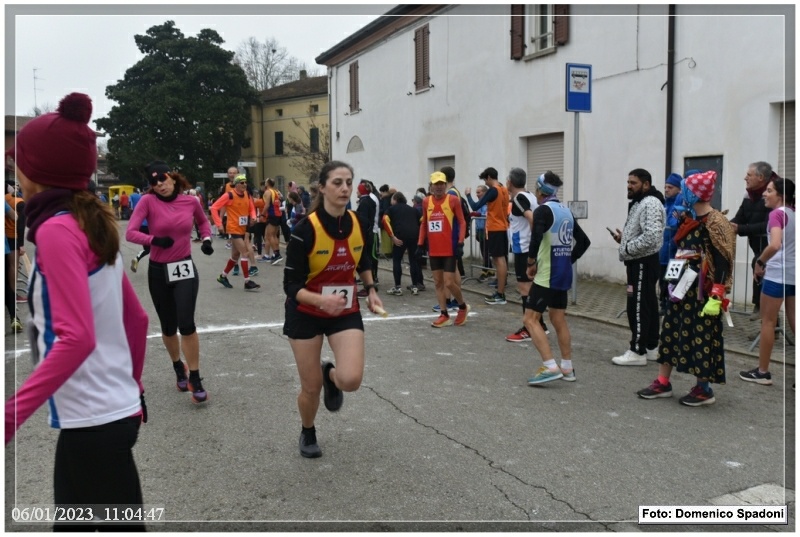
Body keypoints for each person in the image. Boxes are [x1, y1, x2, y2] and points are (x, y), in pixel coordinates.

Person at [4, 92, 149, 531]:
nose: (12, 164)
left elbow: (77, 337)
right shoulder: (90, 222)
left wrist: (9, 417)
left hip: (94, 420)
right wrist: (132, 389)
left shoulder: (56, 231)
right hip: (108, 414)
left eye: (18, 159)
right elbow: (136, 320)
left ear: (38, 170)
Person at [283, 160, 384, 458]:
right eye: (337, 182)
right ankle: (308, 430)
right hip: (305, 313)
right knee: (311, 388)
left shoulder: (358, 223)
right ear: (322, 188)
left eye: (348, 182)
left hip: (344, 310)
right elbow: (290, 285)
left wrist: (371, 290)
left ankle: (332, 376)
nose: (344, 188)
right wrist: (320, 301)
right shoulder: (304, 230)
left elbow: (362, 259)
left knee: (351, 380)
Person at [637, 171, 735, 406]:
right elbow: (681, 252)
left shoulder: (715, 222)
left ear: (697, 193)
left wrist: (718, 293)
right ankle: (663, 381)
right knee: (670, 330)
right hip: (681, 287)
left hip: (703, 290)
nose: (683, 193)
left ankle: (704, 389)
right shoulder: (688, 217)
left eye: (687, 189)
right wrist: (670, 281)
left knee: (701, 336)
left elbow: (723, 259)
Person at [128, 160, 215, 404]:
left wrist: (206, 239)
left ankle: (195, 377)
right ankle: (178, 366)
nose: (160, 185)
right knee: (168, 326)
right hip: (158, 270)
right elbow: (130, 232)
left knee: (186, 324)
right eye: (154, 182)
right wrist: (154, 240)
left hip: (183, 267)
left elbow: (203, 222)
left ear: (172, 177)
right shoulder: (147, 201)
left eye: (163, 179)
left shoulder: (191, 201)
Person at [524, 172, 590, 384]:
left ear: (540, 190)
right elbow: (584, 242)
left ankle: (550, 366)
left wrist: (530, 263)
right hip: (563, 274)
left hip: (547, 274)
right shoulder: (566, 211)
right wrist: (568, 260)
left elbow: (536, 238)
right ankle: (567, 367)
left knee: (530, 319)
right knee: (558, 319)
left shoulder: (543, 210)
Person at [740, 178, 795, 385]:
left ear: (781, 196)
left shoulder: (776, 214)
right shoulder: (794, 213)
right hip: (793, 274)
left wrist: (760, 261)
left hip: (777, 274)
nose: (764, 194)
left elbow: (774, 244)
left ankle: (762, 372)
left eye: (769, 190)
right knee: (794, 322)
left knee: (768, 322)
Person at [610, 168, 666, 366]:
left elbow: (652, 236)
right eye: (628, 182)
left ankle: (637, 350)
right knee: (648, 304)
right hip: (639, 260)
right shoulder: (640, 202)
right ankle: (650, 347)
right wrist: (624, 239)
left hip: (643, 262)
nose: (629, 186)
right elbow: (643, 233)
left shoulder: (650, 203)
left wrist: (627, 247)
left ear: (646, 184)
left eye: (633, 183)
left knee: (638, 306)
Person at [418, 171, 470, 327]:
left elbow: (462, 222)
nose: (439, 187)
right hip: (434, 249)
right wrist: (420, 244)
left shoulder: (453, 200)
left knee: (448, 283)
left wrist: (460, 242)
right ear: (431, 186)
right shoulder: (426, 201)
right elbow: (424, 223)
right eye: (436, 184)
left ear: (446, 185)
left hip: (449, 248)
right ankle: (444, 314)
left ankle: (462, 306)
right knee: (438, 283)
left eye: (441, 183)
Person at [504, 168, 549, 342]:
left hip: (524, 249)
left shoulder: (519, 198)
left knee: (525, 289)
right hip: (527, 248)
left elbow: (531, 218)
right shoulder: (530, 195)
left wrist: (534, 242)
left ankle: (529, 328)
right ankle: (539, 324)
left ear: (509, 182)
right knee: (531, 288)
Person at [730, 162, 774, 321]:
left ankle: (761, 309)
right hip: (757, 246)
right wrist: (726, 225)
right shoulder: (748, 195)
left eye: (749, 175)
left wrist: (741, 229)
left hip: (772, 248)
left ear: (760, 177)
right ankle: (771, 326)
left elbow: (768, 225)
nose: (745, 178)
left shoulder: (773, 196)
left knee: (760, 267)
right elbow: (739, 217)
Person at [465, 166, 510, 305]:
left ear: (489, 177)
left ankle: (500, 294)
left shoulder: (493, 190)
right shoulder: (504, 189)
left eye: (485, 180)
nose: (485, 183)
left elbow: (475, 206)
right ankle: (501, 291)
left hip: (495, 228)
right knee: (501, 260)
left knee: (499, 260)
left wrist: (468, 195)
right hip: (503, 227)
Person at [211, 175, 261, 291]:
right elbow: (214, 208)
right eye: (242, 183)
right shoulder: (229, 195)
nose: (244, 185)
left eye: (245, 182)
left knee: (235, 256)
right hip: (233, 228)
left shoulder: (247, 194)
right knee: (245, 253)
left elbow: (252, 208)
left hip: (243, 228)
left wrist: (253, 217)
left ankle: (222, 276)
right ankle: (247, 281)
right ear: (236, 184)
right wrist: (219, 224)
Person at [382, 191, 423, 295]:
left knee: (397, 260)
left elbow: (385, 220)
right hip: (414, 236)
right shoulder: (413, 209)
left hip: (399, 236)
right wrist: (420, 235)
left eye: (392, 199)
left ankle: (398, 287)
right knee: (413, 261)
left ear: (395, 199)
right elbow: (423, 220)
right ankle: (415, 286)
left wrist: (392, 236)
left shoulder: (391, 209)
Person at [659, 173, 683, 314]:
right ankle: (663, 305)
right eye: (665, 187)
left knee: (671, 281)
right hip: (663, 253)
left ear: (679, 189)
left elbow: (673, 224)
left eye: (670, 187)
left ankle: (670, 308)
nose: (667, 190)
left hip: (674, 254)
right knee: (663, 282)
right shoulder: (664, 205)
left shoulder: (678, 206)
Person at [355, 181, 379, 297]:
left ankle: (369, 286)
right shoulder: (369, 200)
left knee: (367, 259)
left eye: (357, 190)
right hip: (370, 232)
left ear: (361, 191)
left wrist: (361, 234)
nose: (356, 192)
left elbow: (363, 220)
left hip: (366, 234)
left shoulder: (364, 202)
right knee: (368, 258)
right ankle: (370, 283)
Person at [472, 184, 493, 282]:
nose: (477, 194)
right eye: (476, 192)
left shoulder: (488, 203)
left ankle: (485, 271)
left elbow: (487, 215)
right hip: (480, 230)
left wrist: (478, 214)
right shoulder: (479, 203)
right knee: (483, 251)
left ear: (485, 193)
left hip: (486, 230)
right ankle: (490, 270)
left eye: (479, 192)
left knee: (485, 251)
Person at [262, 177, 284, 264]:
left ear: (267, 183)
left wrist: (262, 214)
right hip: (278, 214)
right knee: (274, 235)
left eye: (266, 182)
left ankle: (277, 254)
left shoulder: (268, 192)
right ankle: (276, 254)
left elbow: (267, 205)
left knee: (269, 235)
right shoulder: (276, 191)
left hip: (272, 214)